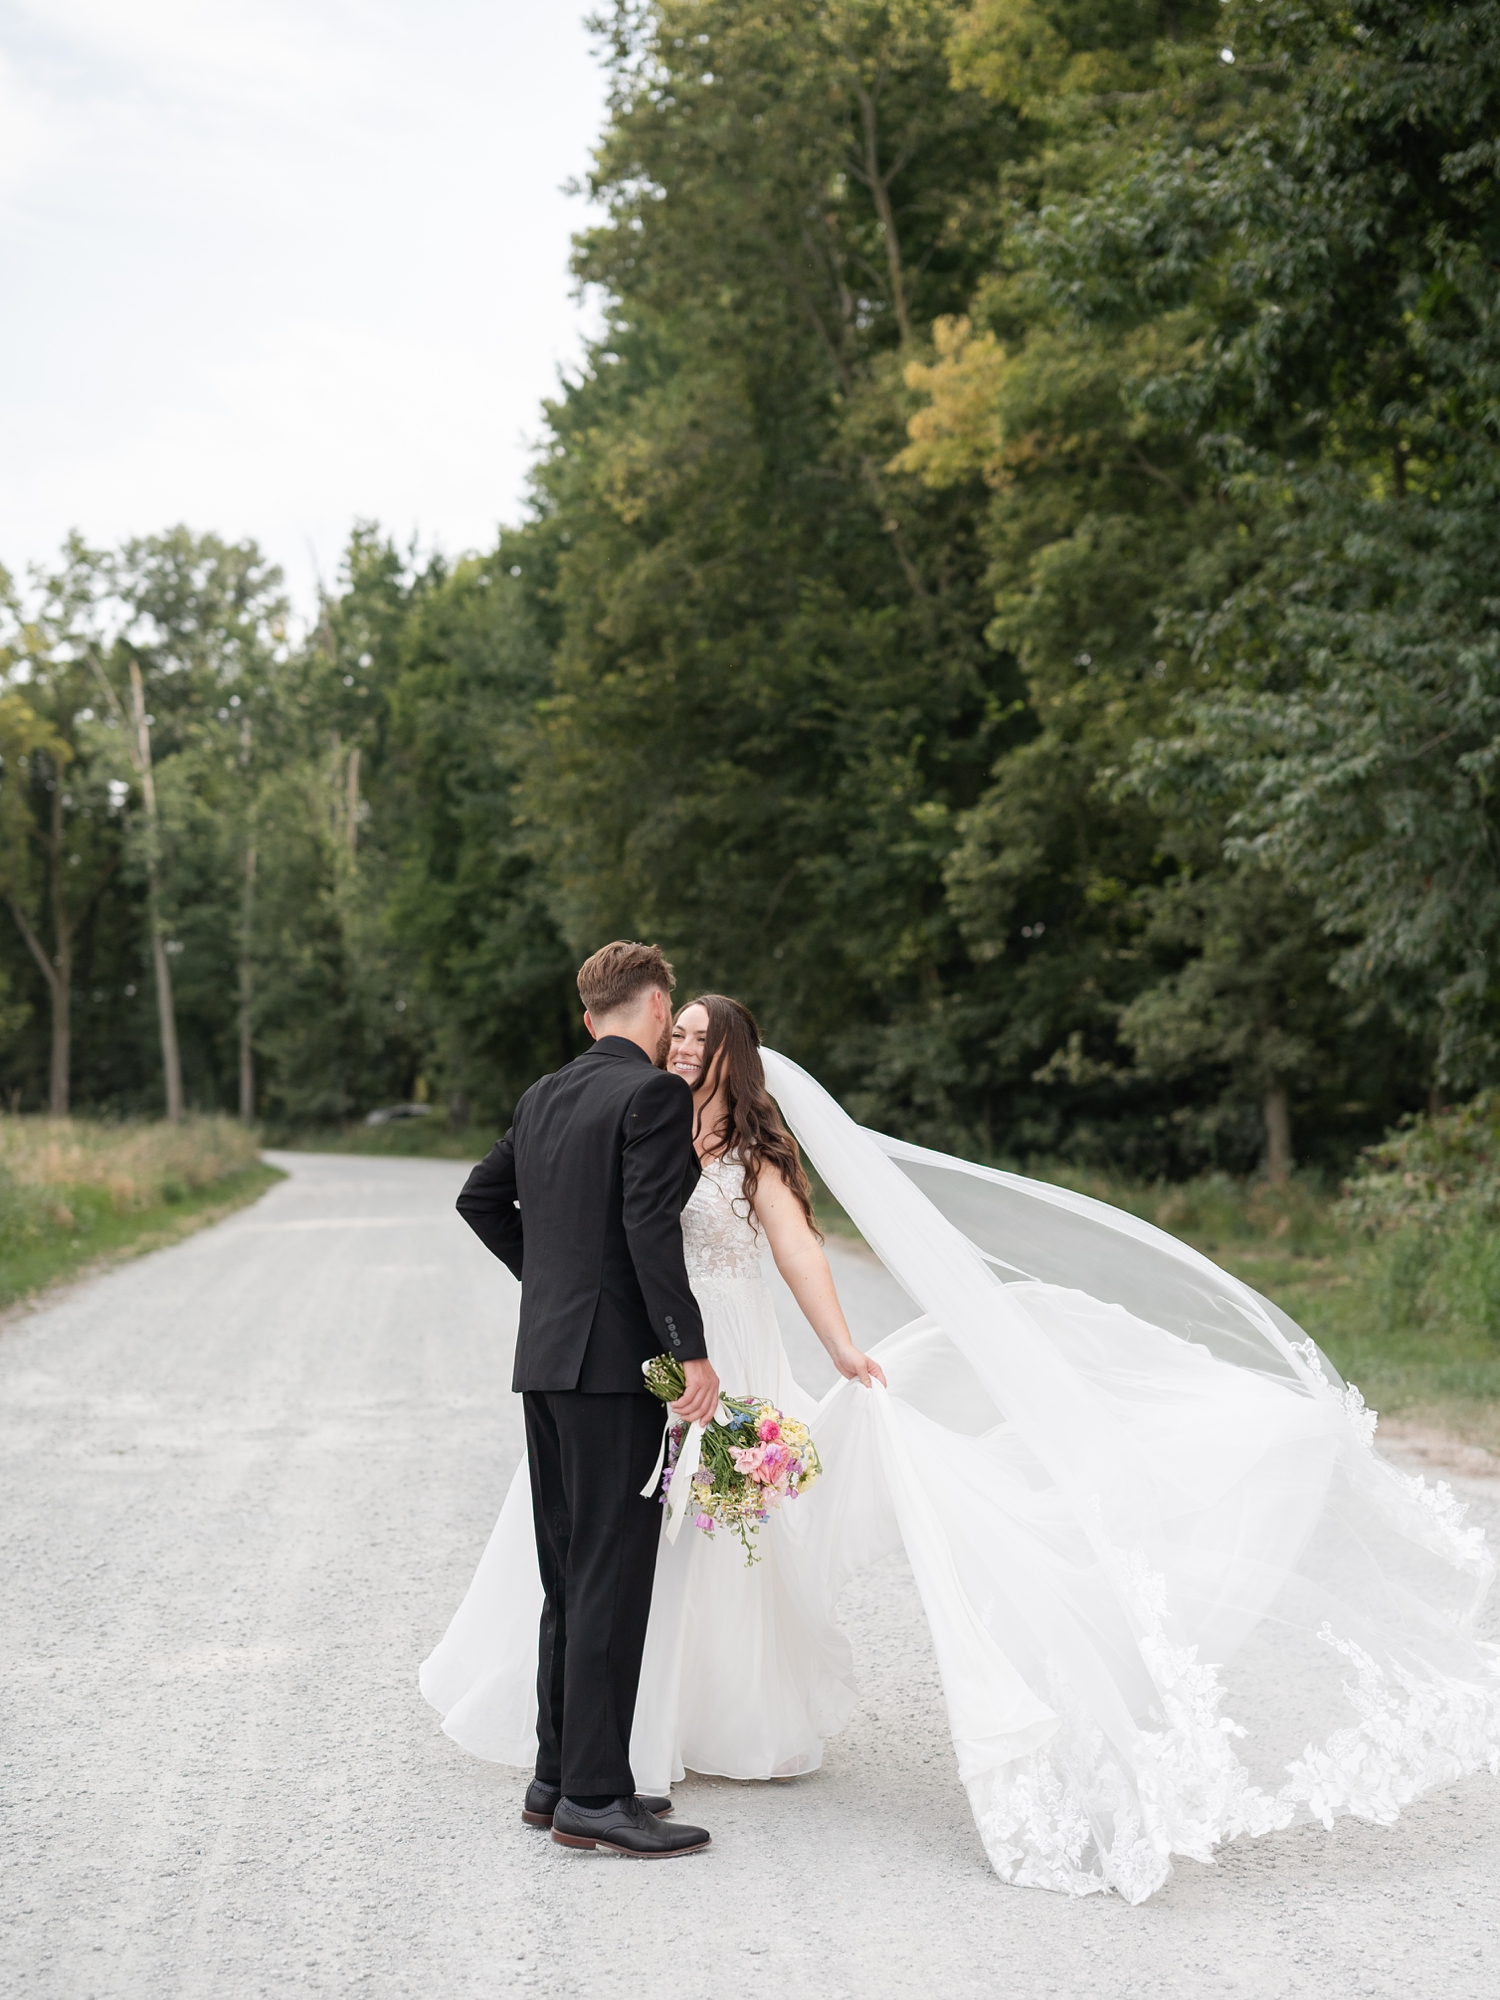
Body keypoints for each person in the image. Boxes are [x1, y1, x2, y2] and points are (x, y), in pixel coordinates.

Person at [426, 994, 1500, 1901]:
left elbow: (796, 1248)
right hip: (643, 1357)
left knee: (698, 1545)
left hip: (715, 1353)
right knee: (625, 1558)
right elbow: (599, 1232)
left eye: (707, 1036)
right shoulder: (641, 1115)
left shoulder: (746, 1145)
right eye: (683, 1029)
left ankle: (639, 1756)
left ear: (734, 1055)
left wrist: (842, 1348)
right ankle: (607, 1767)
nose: (689, 1046)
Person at [446, 940, 717, 1859]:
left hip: (548, 1365)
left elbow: (481, 1199)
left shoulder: (543, 1095)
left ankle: (555, 1778)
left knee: (567, 1573)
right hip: (614, 1374)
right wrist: (691, 1354)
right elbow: (649, 1229)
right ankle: (598, 1796)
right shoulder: (654, 1095)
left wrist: (555, 1288)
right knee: (611, 1571)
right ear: (651, 1003)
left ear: (587, 1011)